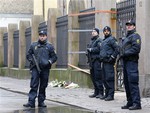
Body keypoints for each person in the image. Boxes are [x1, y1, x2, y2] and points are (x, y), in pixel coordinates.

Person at [23, 30, 57, 108]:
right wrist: (32, 61)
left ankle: (41, 102)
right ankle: (31, 102)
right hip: (35, 68)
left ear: (46, 36)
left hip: (45, 69)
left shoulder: (49, 46)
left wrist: (49, 62)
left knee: (43, 85)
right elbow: (28, 55)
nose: (42, 37)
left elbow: (54, 57)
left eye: (43, 36)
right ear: (39, 36)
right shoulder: (33, 45)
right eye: (40, 35)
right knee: (34, 84)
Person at [120, 19, 142, 110]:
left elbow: (136, 49)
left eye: (130, 25)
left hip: (132, 62)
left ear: (134, 26)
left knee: (132, 82)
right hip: (126, 62)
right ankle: (130, 102)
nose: (128, 26)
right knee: (127, 83)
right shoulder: (127, 37)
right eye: (127, 25)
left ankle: (137, 103)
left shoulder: (135, 36)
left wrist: (125, 53)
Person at [99, 26, 119, 101]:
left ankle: (111, 95)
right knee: (104, 78)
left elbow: (117, 49)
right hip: (104, 62)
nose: (106, 32)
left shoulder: (112, 39)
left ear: (110, 31)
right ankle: (107, 94)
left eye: (107, 31)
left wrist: (112, 57)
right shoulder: (104, 41)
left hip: (109, 62)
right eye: (105, 31)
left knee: (109, 78)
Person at [86, 28, 104, 99]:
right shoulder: (92, 40)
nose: (93, 33)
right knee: (93, 77)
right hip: (91, 61)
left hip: (97, 61)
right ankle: (96, 92)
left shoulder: (99, 40)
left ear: (98, 33)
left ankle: (101, 92)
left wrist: (91, 50)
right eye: (92, 31)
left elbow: (99, 49)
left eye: (95, 32)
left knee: (98, 77)